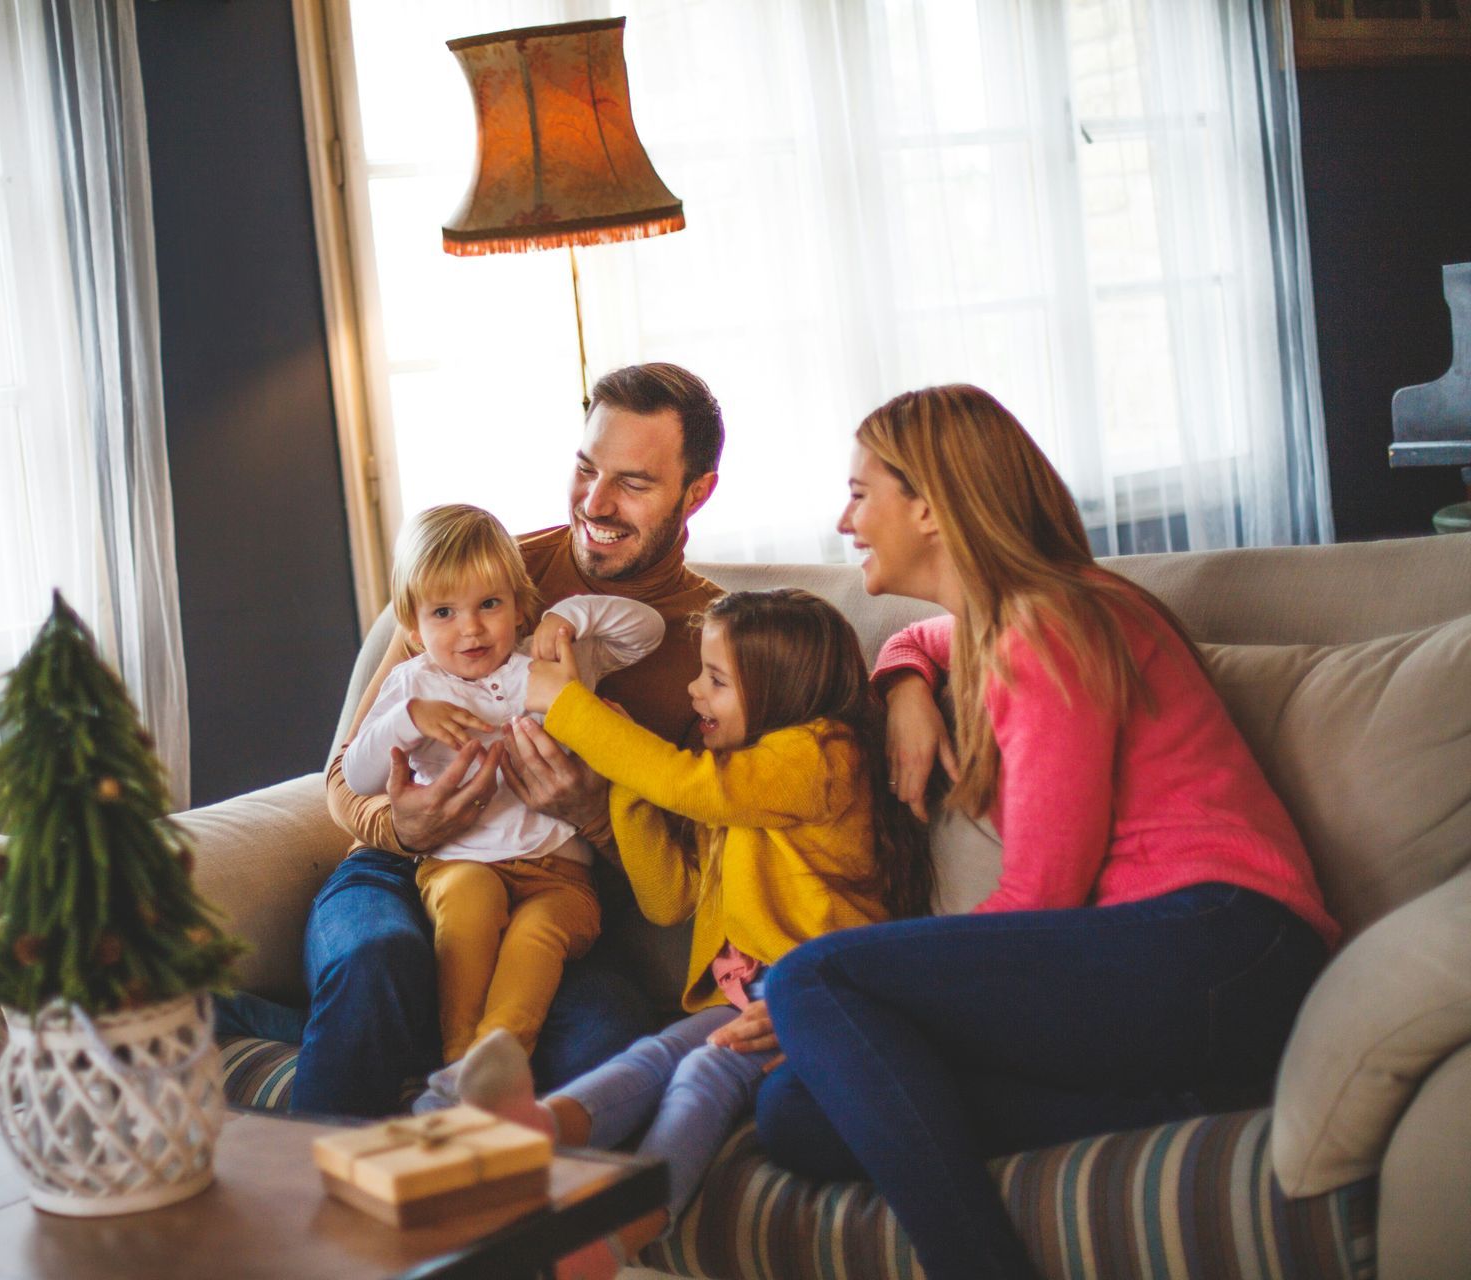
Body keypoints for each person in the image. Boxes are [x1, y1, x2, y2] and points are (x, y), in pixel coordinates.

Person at [750, 384, 1340, 1280]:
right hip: (1188, 982)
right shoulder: (1002, 620)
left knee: (812, 977)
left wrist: (834, 998)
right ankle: (1200, 1098)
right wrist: (901, 684)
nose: (844, 519)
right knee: (796, 1109)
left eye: (860, 493)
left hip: (1225, 945)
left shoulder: (1049, 623)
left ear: (932, 506)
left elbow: (1044, 892)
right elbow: (923, 644)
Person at [434, 588, 932, 1278]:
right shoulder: (734, 779)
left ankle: (617, 1232)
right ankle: (524, 1131)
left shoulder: (823, 753)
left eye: (716, 680)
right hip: (743, 1000)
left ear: (779, 688)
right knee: (649, 1059)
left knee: (700, 1074)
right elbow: (669, 899)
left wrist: (575, 711)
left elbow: (689, 786)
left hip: (820, 1008)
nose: (694, 690)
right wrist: (625, 783)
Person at [291, 363, 729, 1116]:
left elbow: (691, 872)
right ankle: (314, 1219)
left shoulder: (716, 643)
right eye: (586, 468)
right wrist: (401, 826)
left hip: (552, 887)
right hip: (408, 870)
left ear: (697, 492)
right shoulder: (484, 570)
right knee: (378, 961)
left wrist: (594, 813)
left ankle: (480, 1175)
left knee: (609, 1038)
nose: (595, 502)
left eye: (633, 482)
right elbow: (342, 775)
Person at [343, 504, 665, 1065]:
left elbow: (647, 631)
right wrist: (408, 720)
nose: (470, 628)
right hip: (461, 864)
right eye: (444, 612)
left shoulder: (550, 669)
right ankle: (457, 1053)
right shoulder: (414, 684)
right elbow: (354, 775)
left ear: (518, 609)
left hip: (560, 878)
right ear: (414, 630)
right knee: (468, 908)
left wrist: (568, 618)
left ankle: (495, 1057)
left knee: (535, 939)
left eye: (489, 605)